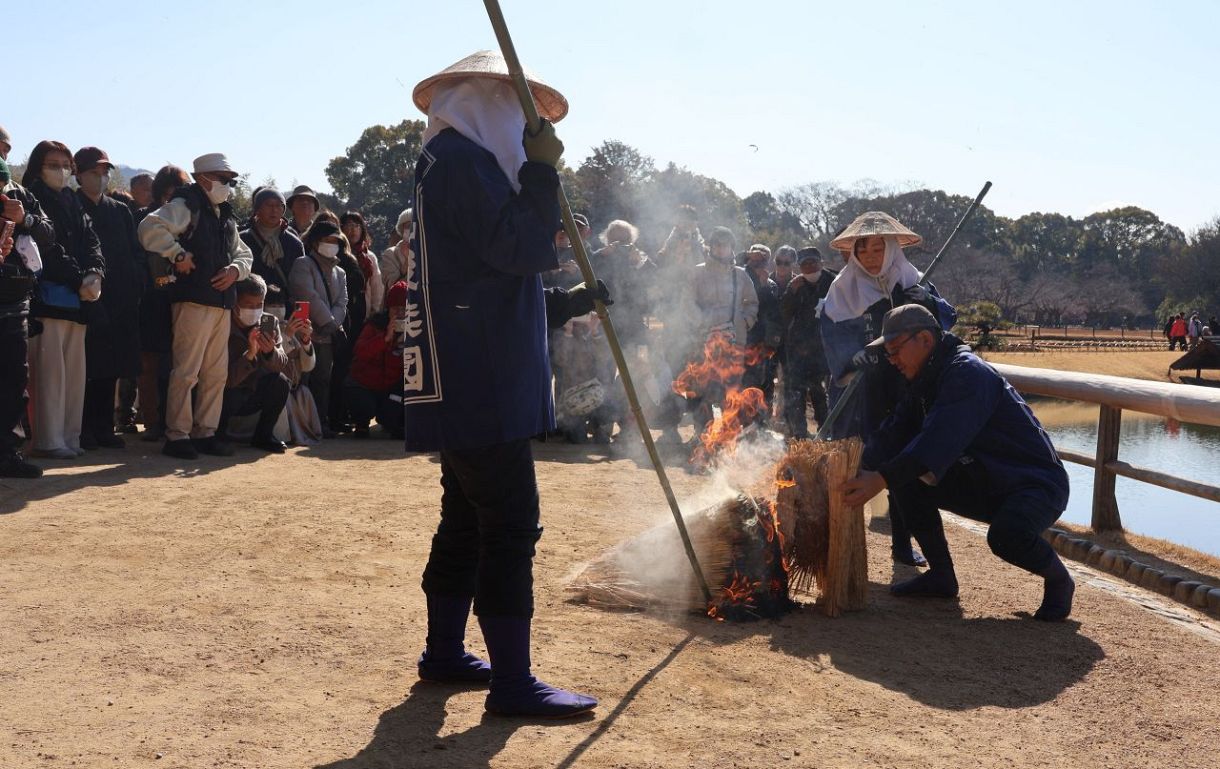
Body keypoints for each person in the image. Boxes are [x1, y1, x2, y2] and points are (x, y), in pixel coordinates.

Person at [406, 49, 597, 717]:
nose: (523, 127)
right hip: (478, 372)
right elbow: (515, 248)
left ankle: (445, 651)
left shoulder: (453, 164)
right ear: (486, 104)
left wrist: (571, 300)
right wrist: (542, 178)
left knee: (465, 518)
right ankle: (514, 682)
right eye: (515, 112)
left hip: (469, 360)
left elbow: (492, 278)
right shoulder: (464, 163)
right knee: (511, 522)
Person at [844, 304, 1075, 621]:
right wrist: (854, 465)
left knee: (1006, 536)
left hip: (1033, 485)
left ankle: (1059, 580)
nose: (891, 359)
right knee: (905, 478)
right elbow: (893, 432)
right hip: (981, 478)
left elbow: (935, 442)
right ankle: (941, 575)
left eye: (895, 349)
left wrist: (878, 479)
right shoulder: (924, 380)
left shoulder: (967, 374)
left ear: (925, 339)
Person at [821, 212, 957, 568]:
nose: (870, 256)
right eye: (863, 249)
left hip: (906, 388)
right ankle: (840, 545)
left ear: (892, 248)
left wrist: (922, 301)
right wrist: (854, 359)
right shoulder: (842, 291)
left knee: (901, 467)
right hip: (863, 394)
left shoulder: (911, 282)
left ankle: (901, 544)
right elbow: (833, 341)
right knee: (854, 466)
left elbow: (940, 326)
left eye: (879, 247)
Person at [138, 152, 254, 460]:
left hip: (221, 303)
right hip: (191, 300)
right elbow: (149, 227)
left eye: (230, 181)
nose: (229, 185)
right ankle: (177, 435)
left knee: (216, 373)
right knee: (186, 371)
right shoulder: (185, 204)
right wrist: (177, 254)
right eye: (224, 179)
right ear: (203, 178)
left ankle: (206, 432)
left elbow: (245, 255)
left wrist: (235, 271)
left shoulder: (224, 214)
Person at [23, 140, 105, 459]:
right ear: (38, 166)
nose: (61, 171)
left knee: (74, 376)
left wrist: (95, 271)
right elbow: (45, 246)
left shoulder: (73, 199)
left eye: (65, 164)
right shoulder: (31, 195)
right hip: (46, 297)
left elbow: (91, 239)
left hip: (78, 302)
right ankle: (48, 439)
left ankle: (70, 436)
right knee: (49, 375)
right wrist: (77, 277)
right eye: (52, 164)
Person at [74, 146, 143, 450]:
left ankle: (104, 427)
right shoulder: (71, 206)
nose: (100, 178)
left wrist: (134, 291)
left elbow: (133, 254)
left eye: (104, 172)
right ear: (78, 174)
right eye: (93, 172)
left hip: (120, 302)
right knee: (86, 370)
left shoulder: (120, 211)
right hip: (84, 300)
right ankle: (83, 428)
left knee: (110, 368)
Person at [0, 126, 55, 477]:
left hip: (14, 300)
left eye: (3, 147)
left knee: (13, 381)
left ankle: (8, 454)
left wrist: (26, 219)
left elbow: (48, 237)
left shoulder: (20, 194)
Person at [134, 165, 191, 442]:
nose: (175, 199)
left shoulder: (191, 221)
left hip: (182, 299)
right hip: (151, 300)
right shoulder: (145, 219)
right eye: (170, 193)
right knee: (150, 364)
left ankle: (176, 420)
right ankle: (153, 420)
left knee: (179, 363)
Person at [289, 219, 348, 438]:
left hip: (328, 335)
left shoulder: (340, 272)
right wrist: (330, 322)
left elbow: (343, 302)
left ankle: (320, 423)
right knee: (302, 379)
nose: (331, 244)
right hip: (305, 331)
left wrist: (333, 324)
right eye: (326, 240)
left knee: (323, 380)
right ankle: (300, 424)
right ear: (315, 242)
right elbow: (307, 295)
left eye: (335, 240)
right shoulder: (303, 264)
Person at [218, 275, 290, 453]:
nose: (255, 310)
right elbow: (225, 379)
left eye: (259, 305)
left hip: (254, 390)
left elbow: (282, 365)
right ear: (235, 303)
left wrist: (270, 352)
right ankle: (217, 435)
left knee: (280, 382)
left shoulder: (269, 322)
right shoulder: (222, 323)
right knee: (227, 392)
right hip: (227, 392)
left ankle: (264, 435)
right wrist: (249, 354)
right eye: (249, 305)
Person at [780, 247, 835, 439]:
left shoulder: (834, 282)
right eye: (805, 264)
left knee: (819, 390)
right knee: (797, 392)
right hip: (798, 348)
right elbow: (785, 315)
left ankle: (826, 430)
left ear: (821, 262)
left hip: (824, 346)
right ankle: (799, 433)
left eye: (813, 262)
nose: (810, 267)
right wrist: (791, 293)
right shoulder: (795, 285)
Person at [345, 280, 407, 439]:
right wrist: (385, 338)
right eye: (395, 309)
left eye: (404, 309)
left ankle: (391, 421)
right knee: (362, 404)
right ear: (388, 309)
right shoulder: (375, 325)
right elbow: (360, 352)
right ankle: (361, 422)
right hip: (365, 384)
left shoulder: (415, 330)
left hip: (391, 388)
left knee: (394, 419)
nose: (400, 313)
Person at [240, 188, 304, 308]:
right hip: (251, 306)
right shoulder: (243, 239)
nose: (274, 210)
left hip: (285, 307)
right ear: (257, 209)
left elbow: (300, 282)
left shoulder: (293, 243)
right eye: (269, 205)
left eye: (279, 206)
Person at [743, 244, 781, 420]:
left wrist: (764, 285)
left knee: (765, 382)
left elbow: (773, 311)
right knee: (743, 384)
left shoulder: (770, 283)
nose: (757, 264)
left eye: (762, 260)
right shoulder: (739, 276)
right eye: (754, 260)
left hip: (763, 342)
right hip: (742, 339)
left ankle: (761, 423)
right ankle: (744, 422)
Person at [341, 211, 384, 314]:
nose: (354, 229)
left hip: (365, 311)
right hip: (342, 311)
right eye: (349, 225)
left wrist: (375, 311)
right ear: (341, 228)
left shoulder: (369, 257)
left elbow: (376, 287)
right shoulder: (338, 254)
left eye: (357, 225)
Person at [378, 207, 413, 294]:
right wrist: (407, 263)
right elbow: (390, 285)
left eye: (415, 225)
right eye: (408, 226)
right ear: (402, 230)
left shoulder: (429, 252)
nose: (412, 229)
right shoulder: (390, 254)